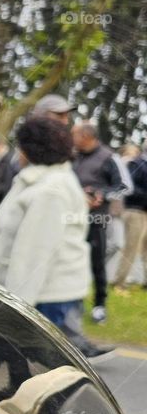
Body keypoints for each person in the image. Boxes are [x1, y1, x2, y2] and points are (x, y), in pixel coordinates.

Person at [0, 116, 94, 340]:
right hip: (45, 295)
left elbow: (33, 254)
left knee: (42, 372)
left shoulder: (49, 190)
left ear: (28, 149)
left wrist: (17, 310)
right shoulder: (43, 180)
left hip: (44, 299)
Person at [72, 121, 124, 324]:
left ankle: (99, 306)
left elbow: (122, 186)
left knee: (97, 262)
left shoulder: (109, 157)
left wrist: (102, 194)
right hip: (74, 218)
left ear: (86, 136)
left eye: (75, 135)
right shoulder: (74, 155)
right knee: (74, 260)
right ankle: (74, 302)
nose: (72, 138)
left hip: (97, 219)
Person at [113, 142, 147, 292]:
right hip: (135, 211)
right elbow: (129, 188)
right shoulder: (136, 163)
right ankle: (119, 283)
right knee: (131, 248)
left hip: (143, 211)